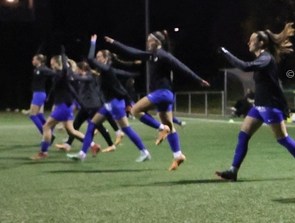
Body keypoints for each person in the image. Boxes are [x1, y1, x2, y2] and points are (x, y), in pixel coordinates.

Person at [214, 23, 295, 181]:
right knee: (243, 135)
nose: (248, 43)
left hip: (270, 106)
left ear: (261, 43)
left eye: (252, 40)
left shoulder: (266, 58)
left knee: (282, 138)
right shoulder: (262, 58)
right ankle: (233, 171)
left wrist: (226, 53)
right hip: (259, 106)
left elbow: (246, 67)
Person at [105, 31, 210, 170]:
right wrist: (114, 43)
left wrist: (198, 80)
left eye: (150, 40)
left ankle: (162, 129)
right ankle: (178, 155)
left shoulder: (162, 55)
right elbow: (133, 53)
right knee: (170, 125)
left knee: (135, 110)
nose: (148, 43)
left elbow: (180, 66)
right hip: (164, 95)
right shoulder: (151, 55)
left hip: (163, 92)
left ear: (157, 42)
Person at [68, 35, 151, 163]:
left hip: (115, 104)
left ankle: (144, 152)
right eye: (97, 57)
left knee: (126, 129)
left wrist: (93, 42)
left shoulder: (106, 68)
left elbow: (90, 58)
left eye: (99, 57)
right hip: (108, 104)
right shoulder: (104, 70)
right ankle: (82, 154)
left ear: (106, 59)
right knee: (92, 124)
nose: (97, 59)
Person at [32, 49, 85, 160]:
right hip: (66, 105)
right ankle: (93, 145)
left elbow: (65, 77)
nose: (51, 65)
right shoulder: (66, 73)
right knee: (71, 131)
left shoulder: (63, 74)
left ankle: (43, 152)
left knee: (46, 126)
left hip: (63, 105)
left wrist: (62, 53)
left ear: (57, 63)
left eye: (52, 63)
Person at [28, 54, 53, 134]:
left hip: (39, 94)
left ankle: (47, 134)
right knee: (39, 114)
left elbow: (53, 73)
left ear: (38, 61)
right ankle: (50, 131)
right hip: (38, 93)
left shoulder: (43, 69)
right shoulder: (37, 69)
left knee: (32, 115)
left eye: (34, 59)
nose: (32, 61)